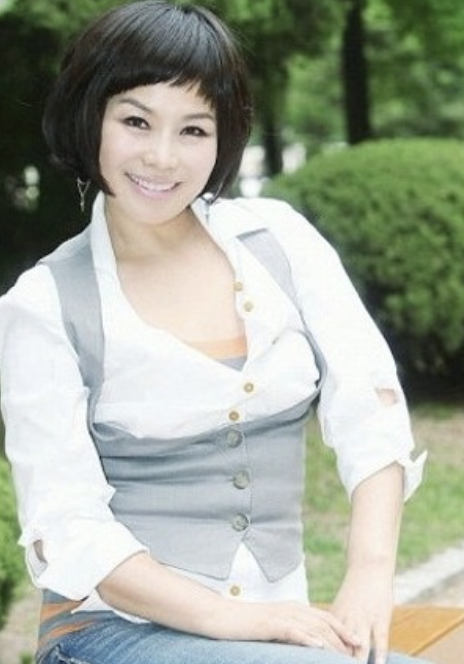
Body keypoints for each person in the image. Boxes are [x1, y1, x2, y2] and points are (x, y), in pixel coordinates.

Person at [0, 2, 429, 664]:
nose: (162, 157)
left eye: (194, 129)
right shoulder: (44, 305)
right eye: (136, 121)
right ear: (90, 118)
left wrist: (369, 579)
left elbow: (370, 412)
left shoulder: (279, 240)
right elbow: (70, 528)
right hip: (113, 633)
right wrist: (239, 621)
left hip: (277, 635)